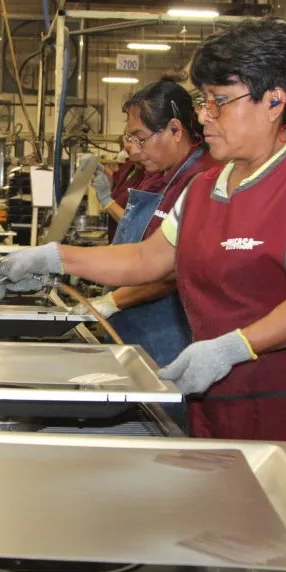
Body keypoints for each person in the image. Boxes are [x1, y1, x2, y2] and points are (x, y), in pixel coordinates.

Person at [0, 18, 286, 537]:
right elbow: (146, 261)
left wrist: (232, 347)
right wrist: (52, 257)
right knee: (235, 552)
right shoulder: (207, 187)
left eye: (218, 101)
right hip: (230, 406)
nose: (203, 117)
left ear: (275, 100)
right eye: (203, 101)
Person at [78, 79, 216, 370]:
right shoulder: (166, 178)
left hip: (167, 338)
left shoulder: (200, 181)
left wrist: (111, 301)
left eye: (140, 138)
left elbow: (172, 271)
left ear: (175, 130)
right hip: (137, 332)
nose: (135, 148)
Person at [92, 144, 166, 242]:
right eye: (128, 138)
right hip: (118, 240)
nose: (128, 145)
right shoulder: (130, 165)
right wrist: (103, 170)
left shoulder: (155, 177)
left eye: (138, 139)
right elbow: (118, 182)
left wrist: (107, 201)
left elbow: (138, 225)